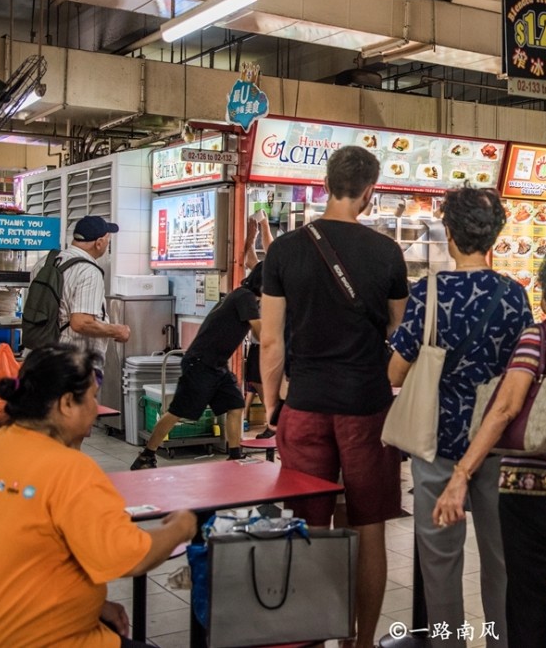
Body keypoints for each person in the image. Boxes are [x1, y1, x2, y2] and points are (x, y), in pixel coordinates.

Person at [0, 344, 196, 647]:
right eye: (91, 397)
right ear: (66, 404)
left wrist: (94, 607)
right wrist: (182, 525)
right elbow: (131, 557)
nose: (95, 408)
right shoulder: (69, 470)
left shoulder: (1, 443)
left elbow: (29, 553)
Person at [260, 145, 409, 648]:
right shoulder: (387, 252)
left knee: (309, 527)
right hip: (367, 405)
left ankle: (310, 635)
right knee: (370, 527)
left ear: (326, 184)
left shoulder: (283, 250)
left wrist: (272, 404)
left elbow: (272, 341)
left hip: (304, 404)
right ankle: (361, 642)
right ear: (370, 191)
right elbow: (400, 329)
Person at [434, 242, 546, 648]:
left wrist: (462, 472)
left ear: (545, 291)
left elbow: (504, 410)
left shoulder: (537, 339)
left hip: (530, 492)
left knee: (528, 598)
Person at [388, 187, 533, 648]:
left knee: (440, 566)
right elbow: (524, 372)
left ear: (449, 233)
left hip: (437, 443)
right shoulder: (515, 297)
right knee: (500, 563)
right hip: (495, 446)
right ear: (493, 237)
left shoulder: (428, 292)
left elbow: (396, 369)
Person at [131, 263, 264, 469]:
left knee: (235, 405)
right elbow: (260, 333)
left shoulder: (245, 297)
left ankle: (235, 455)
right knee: (178, 411)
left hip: (217, 365)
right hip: (201, 363)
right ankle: (147, 455)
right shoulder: (244, 297)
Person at [38, 215, 130, 368]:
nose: (108, 244)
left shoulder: (46, 263)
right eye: (108, 239)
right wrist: (117, 330)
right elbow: (81, 323)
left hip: (43, 355)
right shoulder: (89, 271)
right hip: (75, 362)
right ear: (99, 243)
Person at [244, 207, 277, 439]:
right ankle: (273, 422)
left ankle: (274, 424)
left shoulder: (278, 280)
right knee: (256, 381)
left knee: (263, 383)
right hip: (259, 344)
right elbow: (249, 259)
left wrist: (262, 227)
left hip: (268, 343)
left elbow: (271, 253)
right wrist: (252, 234)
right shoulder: (263, 277)